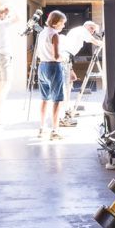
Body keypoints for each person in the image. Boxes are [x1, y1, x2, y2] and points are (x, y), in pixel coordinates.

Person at [60, 20, 103, 120]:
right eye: (92, 30)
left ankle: (67, 110)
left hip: (68, 58)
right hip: (66, 57)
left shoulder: (78, 30)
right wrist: (104, 43)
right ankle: (63, 114)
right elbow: (94, 41)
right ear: (89, 27)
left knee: (69, 84)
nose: (92, 32)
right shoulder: (82, 30)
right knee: (65, 86)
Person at [35, 10, 67, 140]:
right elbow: (56, 56)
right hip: (53, 67)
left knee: (44, 99)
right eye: (62, 23)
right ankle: (54, 131)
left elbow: (37, 53)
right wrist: (64, 58)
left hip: (42, 66)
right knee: (57, 100)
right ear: (56, 22)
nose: (63, 26)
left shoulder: (42, 33)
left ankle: (42, 128)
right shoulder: (54, 34)